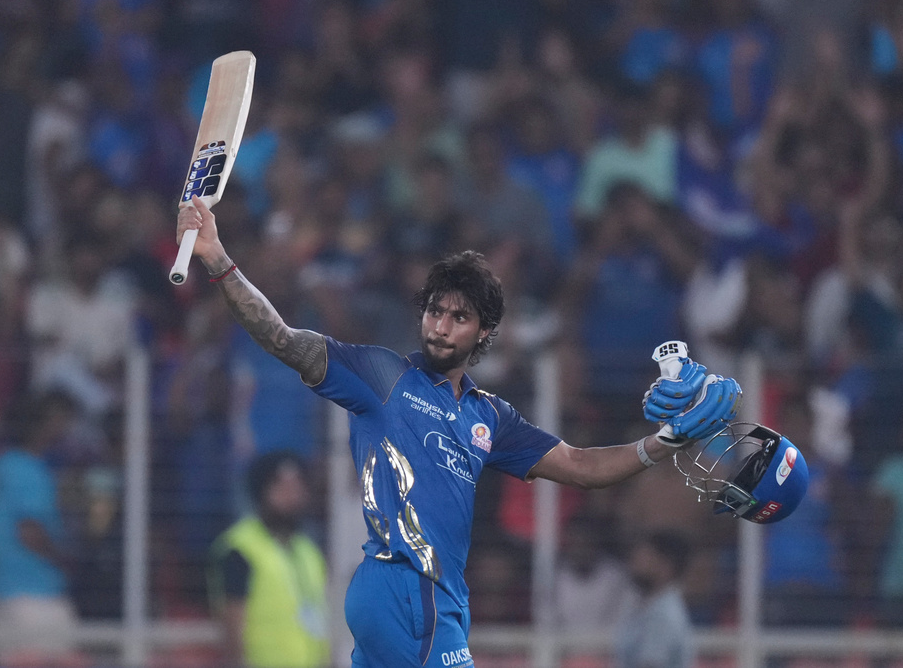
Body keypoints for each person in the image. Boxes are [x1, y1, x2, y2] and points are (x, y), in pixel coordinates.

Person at [176, 194, 741, 667]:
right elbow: (280, 336)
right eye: (434, 311)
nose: (441, 327)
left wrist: (667, 440)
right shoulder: (381, 374)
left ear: (485, 333)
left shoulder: (490, 416)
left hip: (432, 597)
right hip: (404, 587)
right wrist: (219, 259)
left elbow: (581, 467)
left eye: (459, 317)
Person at [0, 389, 80, 667]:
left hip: (0, 594)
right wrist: (63, 560)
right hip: (38, 598)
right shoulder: (31, 471)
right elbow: (29, 531)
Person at [207, 451, 329, 668]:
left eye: (297, 489)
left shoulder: (309, 551)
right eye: (282, 489)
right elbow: (232, 627)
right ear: (261, 493)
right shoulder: (241, 549)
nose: (292, 498)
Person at [613, 530, 695, 668]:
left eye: (645, 556)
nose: (634, 562)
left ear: (666, 565)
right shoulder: (646, 609)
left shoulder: (661, 616)